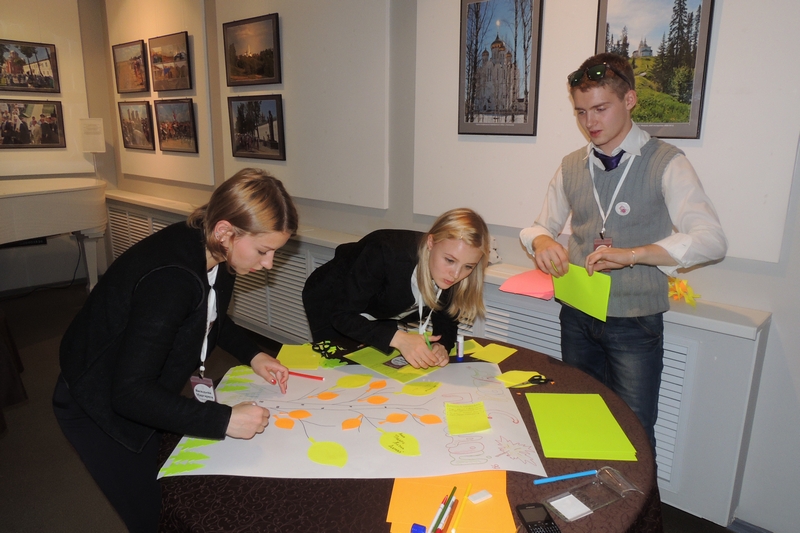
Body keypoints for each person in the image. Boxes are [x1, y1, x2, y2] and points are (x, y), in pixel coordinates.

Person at [54, 168, 299, 532]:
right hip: (95, 404)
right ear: (225, 231)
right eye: (264, 251)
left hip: (137, 384)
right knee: (152, 514)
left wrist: (253, 354)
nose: (268, 264)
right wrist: (224, 420)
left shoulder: (214, 250)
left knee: (167, 482)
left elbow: (209, 316)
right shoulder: (172, 279)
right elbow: (129, 394)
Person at [519, 52, 727, 448]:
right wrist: (542, 241)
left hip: (635, 323)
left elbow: (711, 239)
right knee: (579, 420)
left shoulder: (667, 163)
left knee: (633, 432)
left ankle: (634, 493)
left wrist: (635, 254)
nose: (590, 122)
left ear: (629, 100)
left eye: (600, 108)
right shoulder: (570, 166)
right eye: (581, 112)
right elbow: (539, 228)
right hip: (577, 314)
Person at [303, 208, 490, 369]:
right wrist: (398, 338)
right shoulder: (385, 252)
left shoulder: (452, 272)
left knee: (380, 366)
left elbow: (446, 320)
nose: (456, 274)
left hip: (381, 304)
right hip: (332, 299)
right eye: (450, 260)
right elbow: (341, 315)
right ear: (431, 243)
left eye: (468, 266)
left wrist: (441, 346)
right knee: (341, 364)